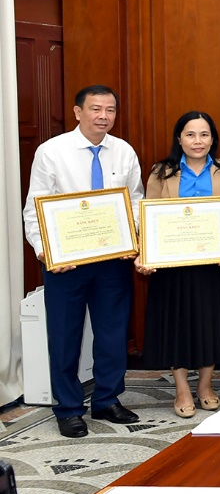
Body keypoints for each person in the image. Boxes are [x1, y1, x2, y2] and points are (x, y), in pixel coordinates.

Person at [22, 85, 143, 438]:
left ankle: (107, 399)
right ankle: (68, 408)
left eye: (110, 110)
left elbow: (135, 201)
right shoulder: (52, 152)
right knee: (64, 337)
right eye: (95, 109)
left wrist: (134, 239)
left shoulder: (124, 151)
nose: (103, 116)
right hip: (66, 263)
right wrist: (45, 252)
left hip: (112, 260)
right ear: (78, 112)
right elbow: (35, 208)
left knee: (112, 333)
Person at [138, 111, 220, 418]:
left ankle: (205, 385)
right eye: (191, 134)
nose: (198, 141)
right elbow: (149, 217)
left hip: (215, 263)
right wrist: (145, 255)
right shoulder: (161, 171)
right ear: (179, 139)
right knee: (177, 325)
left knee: (211, 324)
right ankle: (182, 388)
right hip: (173, 266)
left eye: (204, 134)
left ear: (212, 139)